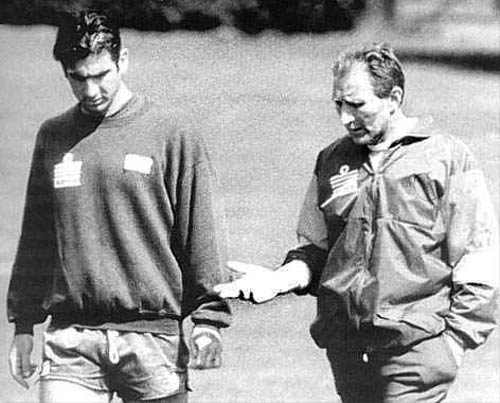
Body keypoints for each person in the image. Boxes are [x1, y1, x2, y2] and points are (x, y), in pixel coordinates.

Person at [215, 43, 499, 403]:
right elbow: (317, 251)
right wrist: (278, 281)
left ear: (393, 97)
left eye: (357, 104)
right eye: (339, 105)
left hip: (417, 353)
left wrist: (456, 340)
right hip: (347, 354)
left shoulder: (445, 158)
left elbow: (478, 259)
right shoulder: (331, 160)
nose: (346, 118)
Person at [7, 10, 231, 403]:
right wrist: (24, 324)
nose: (91, 90)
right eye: (78, 78)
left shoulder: (172, 133)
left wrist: (209, 319)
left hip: (152, 338)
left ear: (122, 61)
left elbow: (201, 232)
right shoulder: (53, 137)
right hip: (71, 338)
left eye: (101, 75)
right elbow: (36, 238)